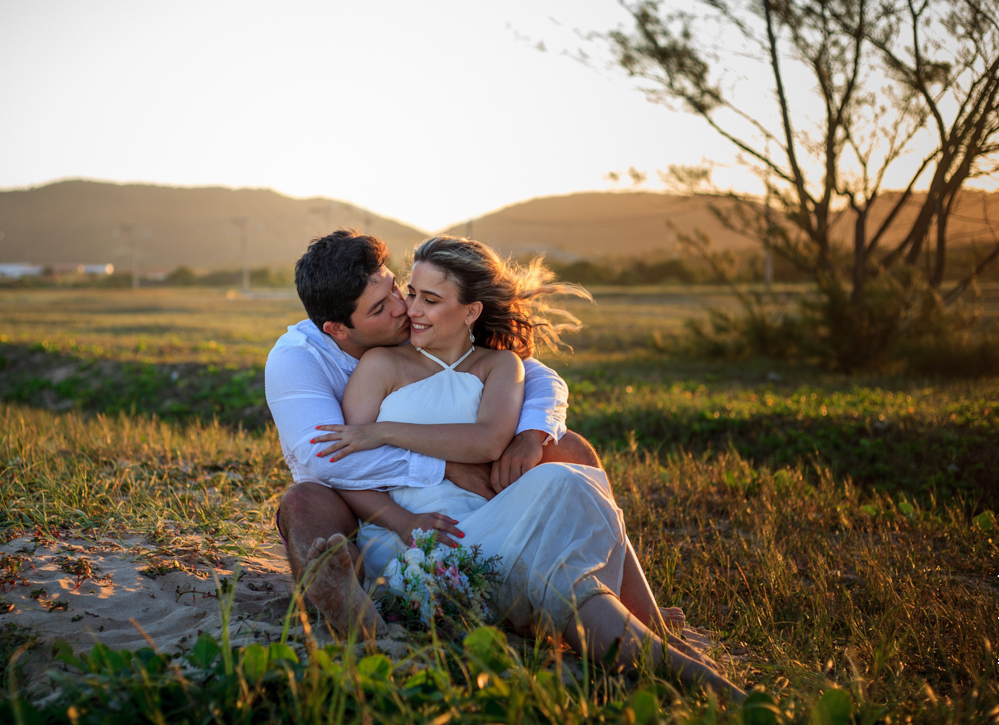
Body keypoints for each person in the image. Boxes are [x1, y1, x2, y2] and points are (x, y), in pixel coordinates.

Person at [309, 236, 743, 700]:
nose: (410, 308)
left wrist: (386, 431)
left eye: (430, 299)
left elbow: (488, 440)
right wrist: (405, 518)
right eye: (411, 292)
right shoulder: (381, 364)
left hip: (497, 518)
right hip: (417, 536)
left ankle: (680, 667)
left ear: (471, 311)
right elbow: (348, 468)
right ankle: (680, 669)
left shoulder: (501, 366)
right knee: (560, 541)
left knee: (568, 482)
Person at [266, 230, 605, 638]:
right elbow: (323, 460)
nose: (400, 309)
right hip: (355, 497)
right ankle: (350, 606)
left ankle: (620, 593)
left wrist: (531, 434)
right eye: (379, 308)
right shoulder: (297, 360)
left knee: (566, 448)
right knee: (303, 502)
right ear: (338, 329)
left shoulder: (421, 321)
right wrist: (443, 466)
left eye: (396, 289)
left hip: (459, 478)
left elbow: (536, 376)